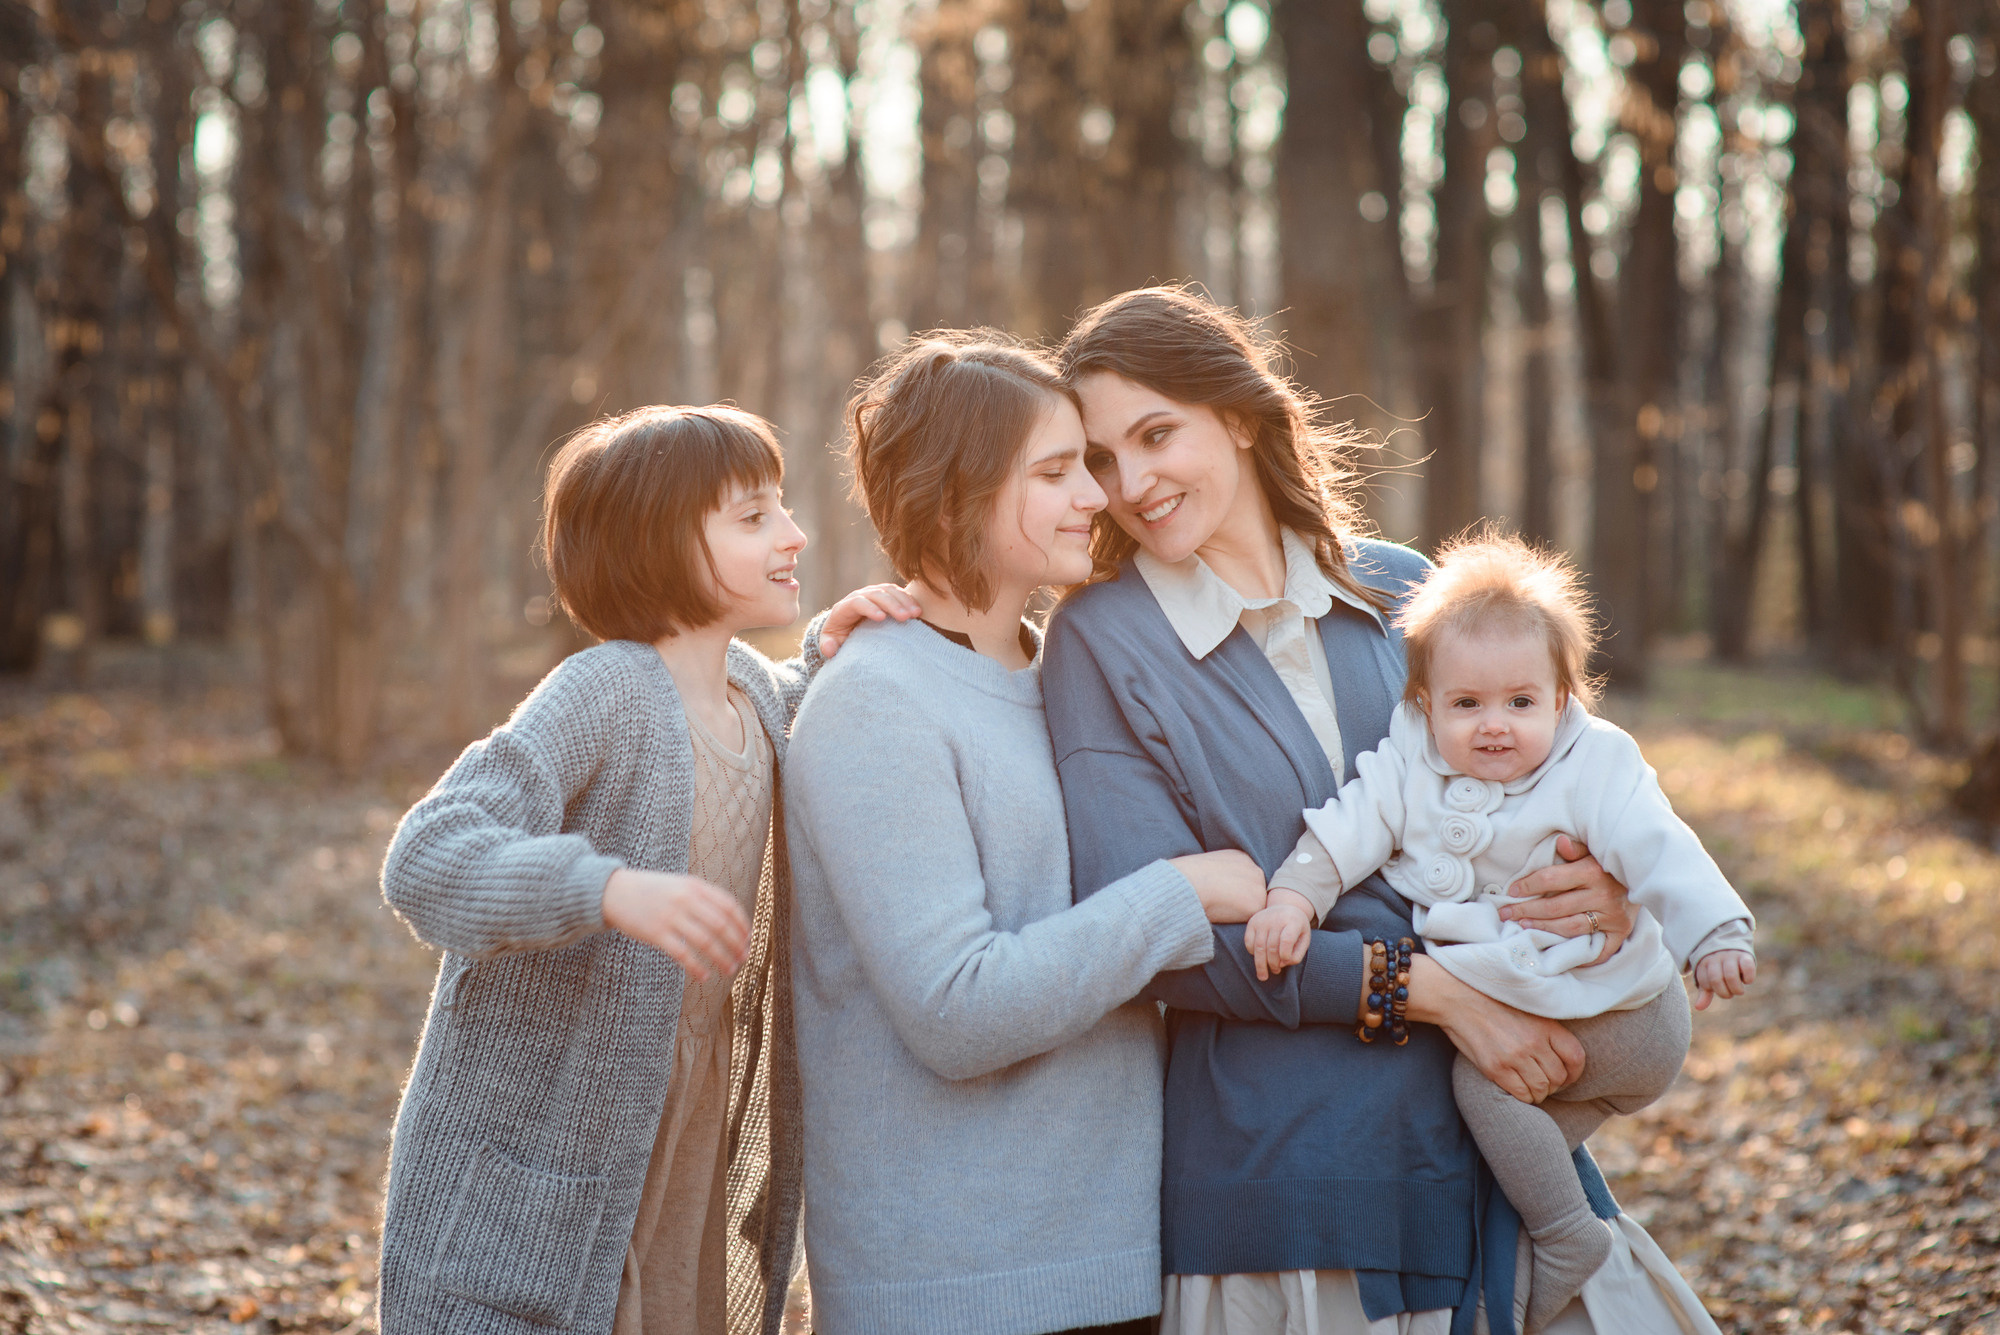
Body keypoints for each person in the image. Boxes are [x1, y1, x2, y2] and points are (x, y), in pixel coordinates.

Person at [1041, 286, 1720, 1335]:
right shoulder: (1101, 640)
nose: (1130, 483)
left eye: (1155, 433)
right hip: (1287, 1177)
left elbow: (1572, 779)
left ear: (1236, 413)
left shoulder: (1408, 591)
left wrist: (1608, 884)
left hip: (1485, 1143)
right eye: (1098, 458)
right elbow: (1170, 941)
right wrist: (1437, 994)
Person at [375, 405, 918, 1335]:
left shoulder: (751, 687)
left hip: (690, 1126)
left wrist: (829, 642)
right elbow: (426, 855)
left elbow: (776, 716)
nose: (794, 533)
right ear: (661, 545)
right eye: (753, 518)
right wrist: (605, 887)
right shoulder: (606, 690)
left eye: (780, 508)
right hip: (552, 1134)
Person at [784, 333, 1270, 1335]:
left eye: (1082, 467)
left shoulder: (1063, 680)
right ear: (954, 493)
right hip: (956, 1292)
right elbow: (956, 1011)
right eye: (1054, 473)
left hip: (1118, 1265)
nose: (1096, 496)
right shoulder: (873, 701)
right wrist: (1177, 897)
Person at [1248, 532, 1756, 1330]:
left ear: (1562, 699)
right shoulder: (1408, 760)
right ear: (1424, 703)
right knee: (1500, 1153)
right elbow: (1346, 828)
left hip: (1621, 1012)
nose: (1494, 726)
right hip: (1558, 1025)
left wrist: (1715, 932)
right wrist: (1293, 898)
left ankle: (1568, 1238)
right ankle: (1520, 1275)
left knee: (1478, 1088)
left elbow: (1660, 845)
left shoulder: (1594, 764)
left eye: (1521, 703)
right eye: (1466, 704)